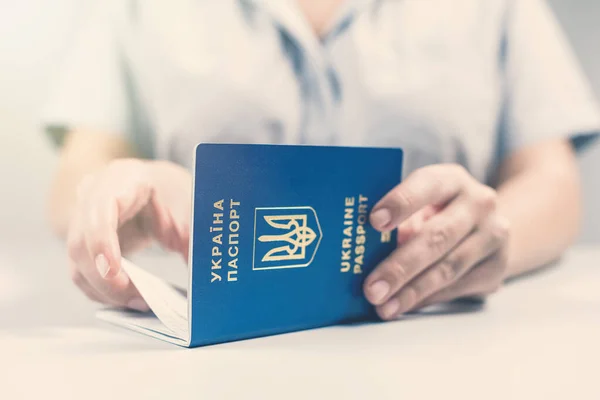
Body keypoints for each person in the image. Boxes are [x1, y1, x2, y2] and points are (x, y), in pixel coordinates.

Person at [44, 0, 600, 319]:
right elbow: (80, 173)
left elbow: (551, 179)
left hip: (434, 333)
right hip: (206, 345)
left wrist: (484, 240)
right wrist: (119, 203)